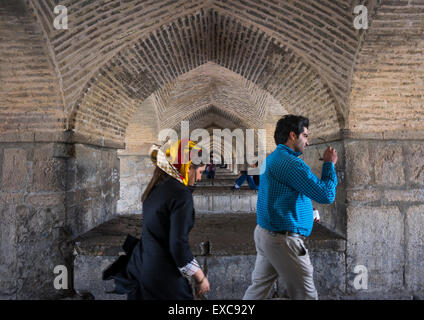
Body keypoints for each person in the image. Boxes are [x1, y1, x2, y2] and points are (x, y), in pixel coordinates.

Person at [243, 115, 338, 300]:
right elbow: (326, 195)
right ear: (293, 136)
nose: (308, 142)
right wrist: (329, 164)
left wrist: (305, 213)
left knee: (258, 291)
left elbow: (281, 196)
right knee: (307, 295)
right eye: (305, 136)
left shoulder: (274, 158)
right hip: (282, 240)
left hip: (267, 233)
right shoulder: (291, 163)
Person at [127, 139, 210, 300]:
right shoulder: (180, 194)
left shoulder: (156, 187)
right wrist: (200, 277)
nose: (199, 178)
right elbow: (178, 245)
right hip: (162, 273)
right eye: (200, 172)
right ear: (188, 168)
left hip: (141, 266)